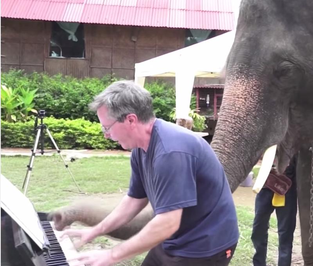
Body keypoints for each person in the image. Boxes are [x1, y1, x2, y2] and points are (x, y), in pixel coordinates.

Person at [61, 80, 239, 266]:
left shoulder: (171, 151)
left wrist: (112, 255)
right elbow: (134, 200)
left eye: (107, 127)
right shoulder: (140, 148)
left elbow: (168, 222)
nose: (105, 134)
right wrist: (96, 230)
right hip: (174, 236)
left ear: (131, 120)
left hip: (205, 245)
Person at [251, 154, 298, 266]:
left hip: (287, 190)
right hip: (266, 187)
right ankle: (258, 263)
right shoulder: (268, 139)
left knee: (285, 234)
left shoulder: (295, 139)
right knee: (258, 230)